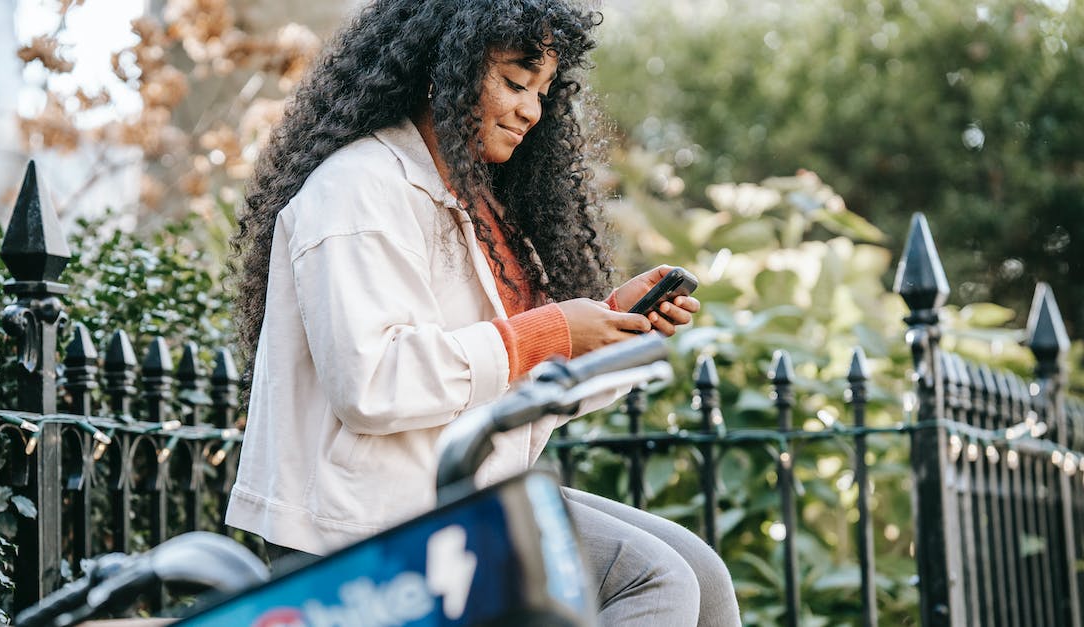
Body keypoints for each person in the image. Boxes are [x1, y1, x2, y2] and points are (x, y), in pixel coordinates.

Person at [225, 1, 740, 624]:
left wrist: (607, 330)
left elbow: (510, 387)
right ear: (446, 68)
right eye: (515, 83)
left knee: (702, 573)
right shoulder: (356, 189)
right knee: (654, 580)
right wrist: (547, 333)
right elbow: (371, 383)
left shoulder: (479, 208)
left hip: (452, 496)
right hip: (364, 523)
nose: (532, 110)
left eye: (543, 91)